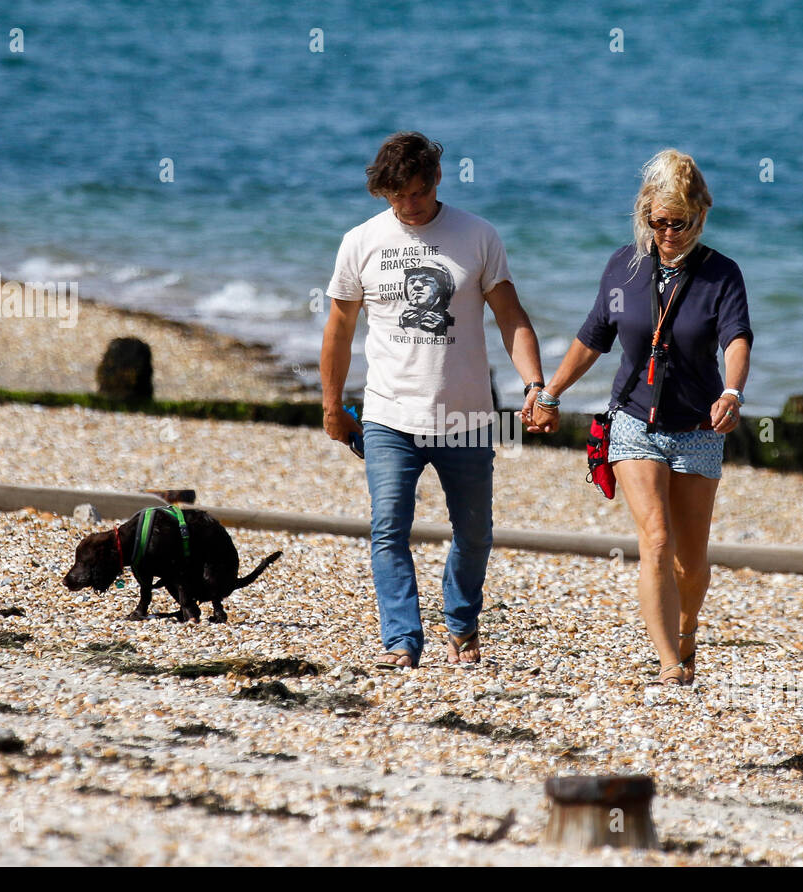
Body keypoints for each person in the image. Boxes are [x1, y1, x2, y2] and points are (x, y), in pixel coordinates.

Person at [525, 149, 753, 686]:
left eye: (681, 223)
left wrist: (733, 393)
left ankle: (687, 625)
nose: (669, 233)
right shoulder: (624, 266)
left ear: (701, 215)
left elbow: (737, 339)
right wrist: (550, 393)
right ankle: (670, 662)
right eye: (659, 223)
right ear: (644, 215)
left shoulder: (721, 274)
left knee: (690, 559)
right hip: (632, 423)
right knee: (655, 540)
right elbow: (592, 338)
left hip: (697, 428)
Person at [321, 131, 546, 669]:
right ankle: (402, 641)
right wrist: (332, 406)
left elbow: (511, 318)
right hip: (387, 415)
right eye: (396, 197)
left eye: (417, 193)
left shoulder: (478, 236)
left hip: (466, 416)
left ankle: (462, 623)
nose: (408, 205)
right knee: (388, 529)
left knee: (474, 532)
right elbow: (338, 330)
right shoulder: (361, 241)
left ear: (437, 180)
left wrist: (535, 386)